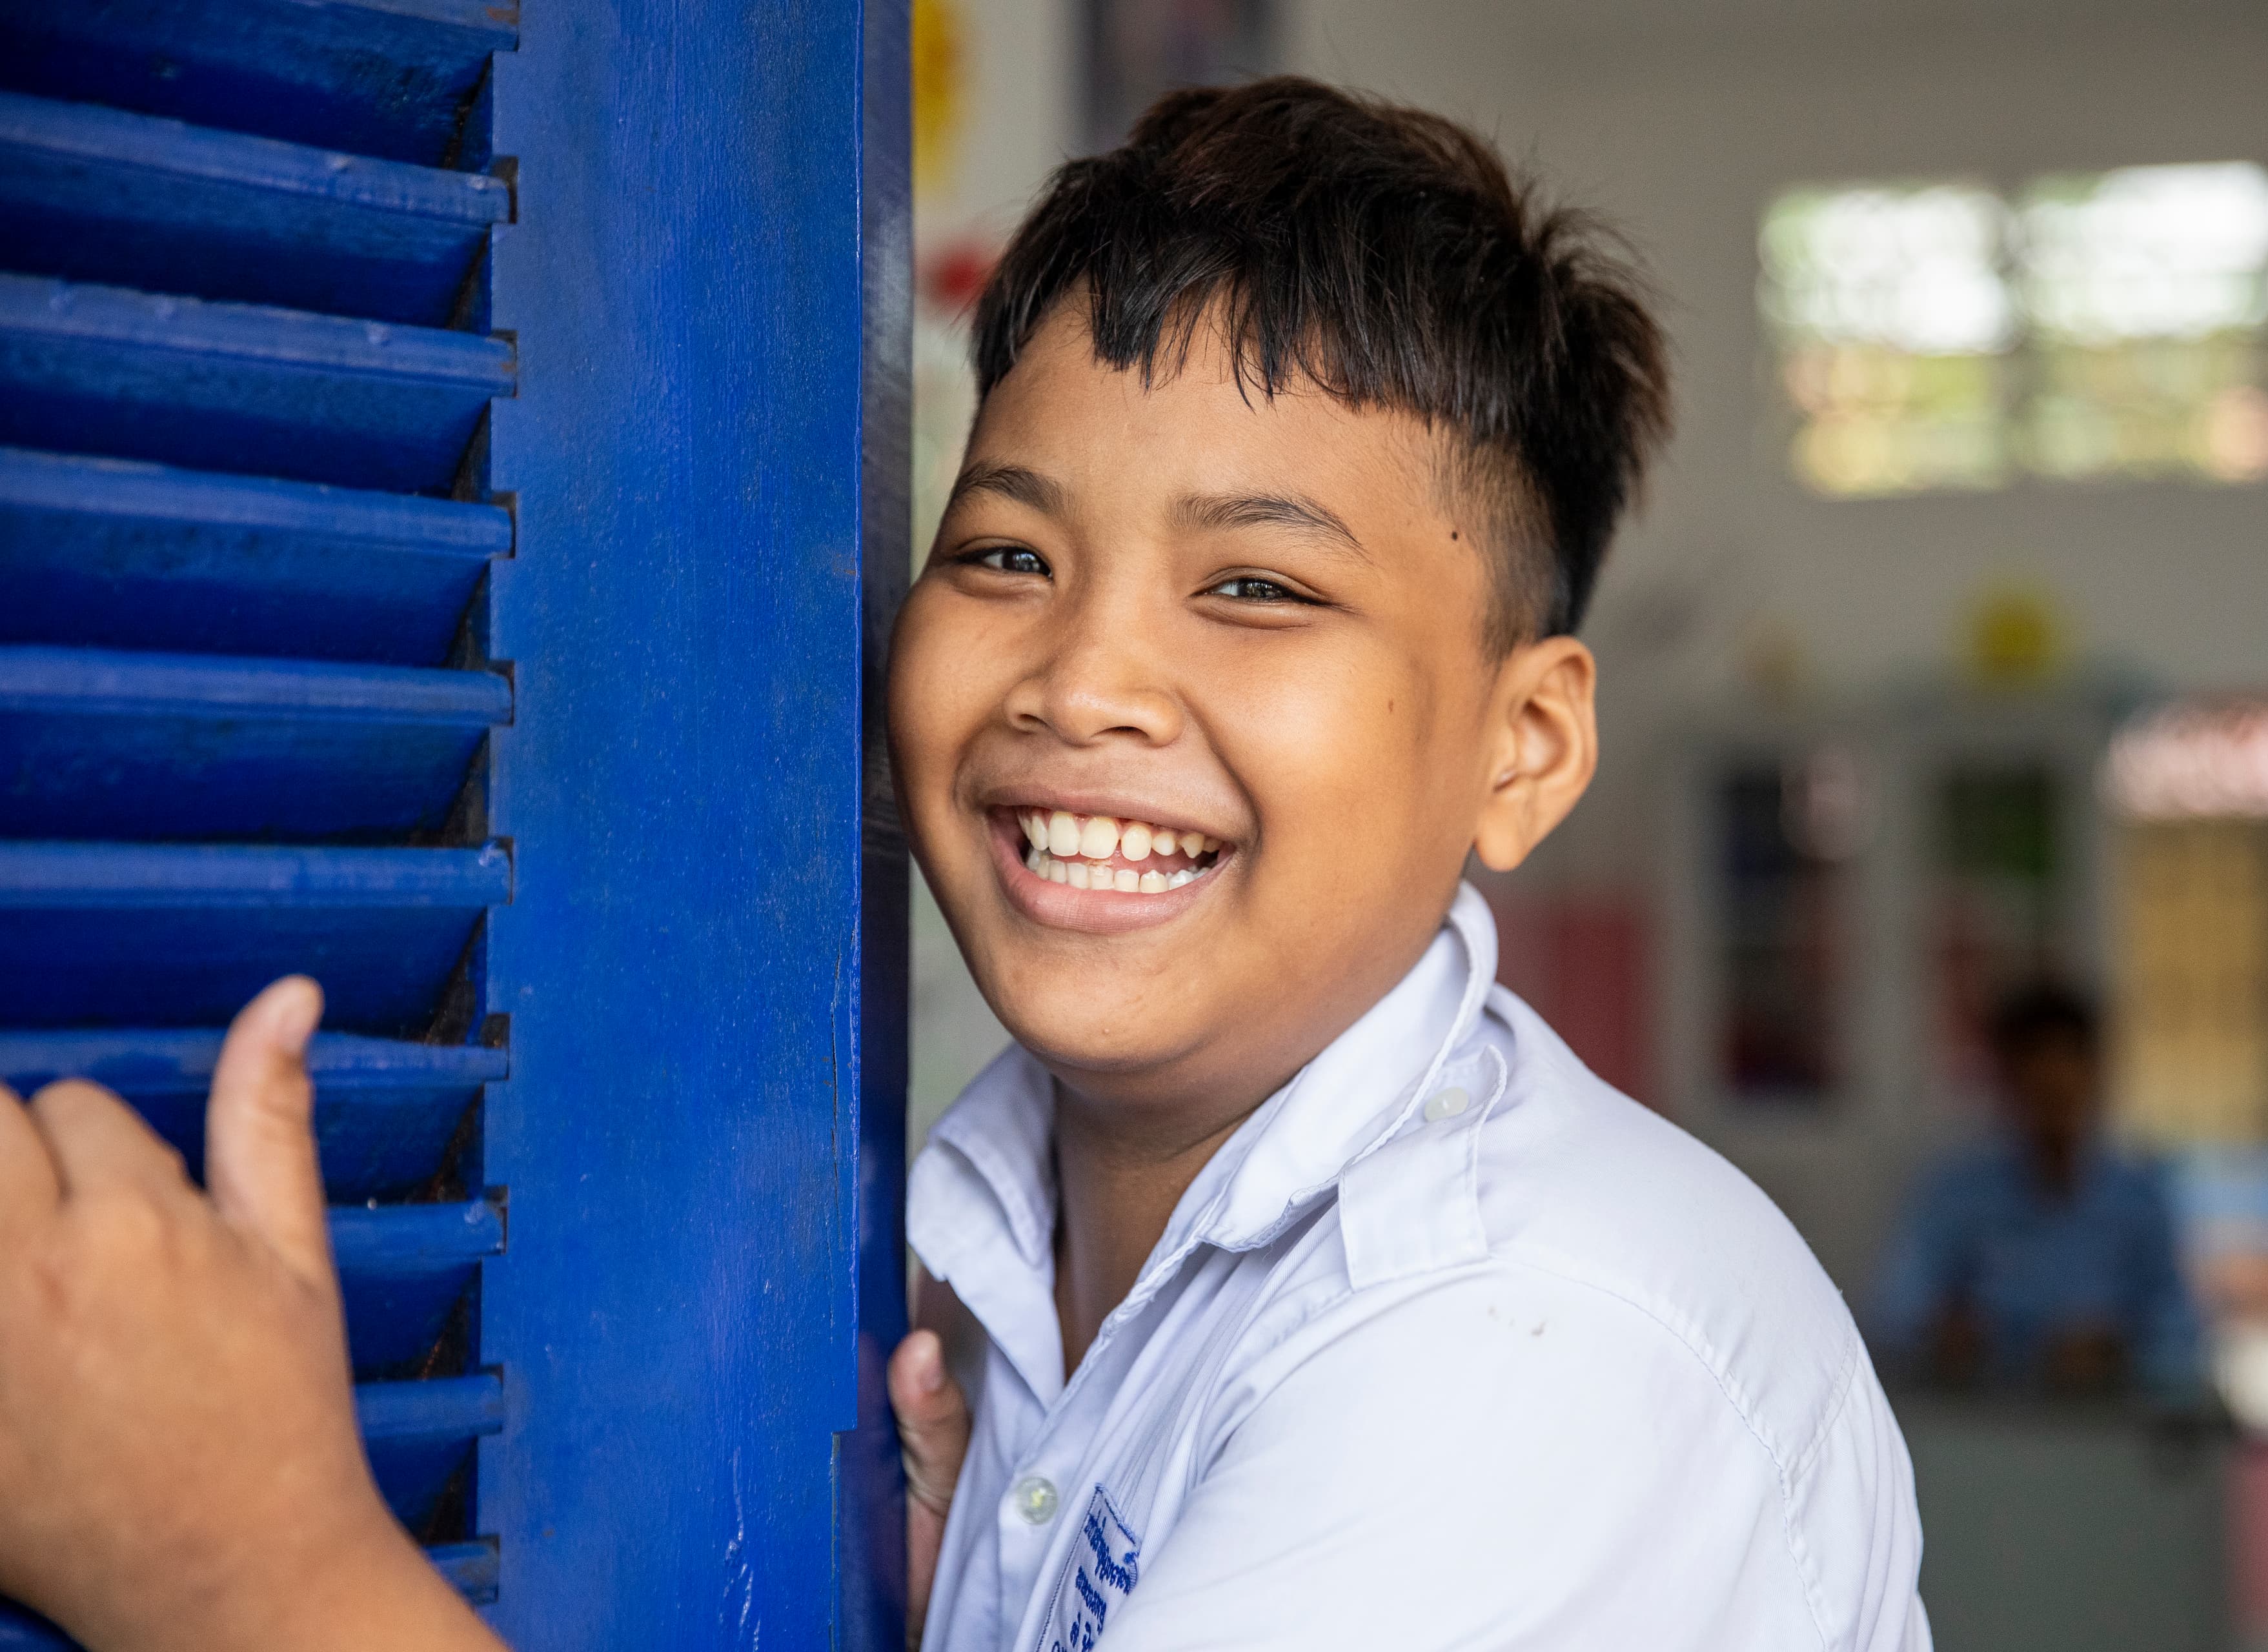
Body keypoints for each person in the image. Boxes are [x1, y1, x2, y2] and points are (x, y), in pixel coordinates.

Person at [0, 79, 1929, 1649]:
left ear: (1524, 746)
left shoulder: (1543, 1343)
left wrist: (231, 1569)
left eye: (1253, 586)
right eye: (1005, 553)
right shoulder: (1005, 1276)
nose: (1080, 678)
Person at [1870, 983, 2203, 1398]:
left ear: (2095, 1079)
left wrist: (2118, 1349)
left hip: (2111, 1427)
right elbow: (1896, 1313)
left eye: (2064, 1095)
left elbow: (2186, 1334)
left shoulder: (2139, 1196)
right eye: (2038, 1093)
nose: (2052, 1114)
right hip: (1983, 1425)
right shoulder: (1957, 1193)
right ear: (2007, 1084)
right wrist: (1949, 1334)